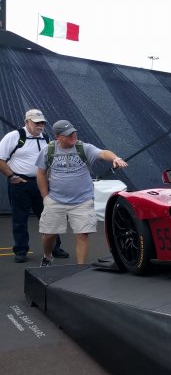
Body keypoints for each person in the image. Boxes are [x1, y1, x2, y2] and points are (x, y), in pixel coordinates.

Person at [36, 119, 128, 266]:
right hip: (55, 200)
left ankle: (79, 269)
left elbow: (103, 153)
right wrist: (45, 197)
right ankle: (47, 257)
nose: (73, 136)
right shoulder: (48, 150)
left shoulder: (83, 148)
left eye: (73, 132)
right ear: (57, 137)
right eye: (68, 135)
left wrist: (115, 158)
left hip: (82, 201)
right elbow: (40, 174)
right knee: (49, 235)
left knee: (82, 235)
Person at [0, 109, 69, 263]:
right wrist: (12, 176)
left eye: (42, 123)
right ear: (27, 122)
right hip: (20, 184)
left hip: (40, 182)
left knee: (49, 216)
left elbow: (50, 159)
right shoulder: (14, 137)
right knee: (20, 218)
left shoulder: (46, 137)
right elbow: (0, 159)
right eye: (37, 123)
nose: (40, 126)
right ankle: (21, 250)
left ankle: (54, 248)